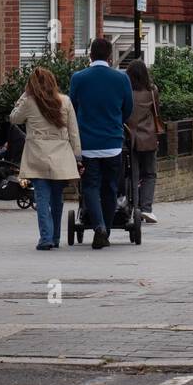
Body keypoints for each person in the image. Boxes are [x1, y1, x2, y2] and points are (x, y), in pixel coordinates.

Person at [69, 38, 133, 249]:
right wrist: (115, 122)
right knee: (110, 187)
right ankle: (105, 227)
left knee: (90, 186)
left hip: (87, 143)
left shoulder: (78, 78)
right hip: (112, 142)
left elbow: (73, 107)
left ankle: (99, 227)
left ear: (90, 55)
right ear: (110, 57)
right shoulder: (121, 79)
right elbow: (128, 109)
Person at [9, 67, 82, 250]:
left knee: (42, 198)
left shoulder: (29, 102)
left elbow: (14, 118)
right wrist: (77, 156)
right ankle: (55, 237)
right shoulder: (64, 101)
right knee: (57, 199)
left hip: (37, 154)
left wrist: (23, 96)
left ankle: (46, 238)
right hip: (61, 154)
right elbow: (73, 131)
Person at [125, 60, 162, 225]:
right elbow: (157, 113)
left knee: (132, 174)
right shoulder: (152, 91)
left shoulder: (125, 92)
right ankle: (146, 208)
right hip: (148, 138)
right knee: (149, 174)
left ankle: (132, 208)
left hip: (128, 138)